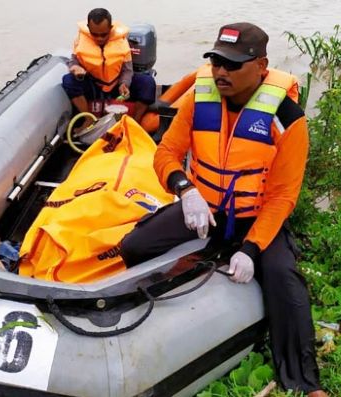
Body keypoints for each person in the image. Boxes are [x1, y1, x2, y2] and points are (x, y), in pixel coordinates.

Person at [119, 23, 328, 397]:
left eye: (232, 65)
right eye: (216, 61)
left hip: (255, 219)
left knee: (285, 280)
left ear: (261, 66)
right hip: (203, 211)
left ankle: (305, 382)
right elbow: (166, 153)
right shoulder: (200, 99)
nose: (220, 72)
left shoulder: (288, 118)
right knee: (134, 246)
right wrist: (185, 190)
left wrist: (252, 247)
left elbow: (282, 196)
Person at [62, 8, 156, 126]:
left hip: (116, 85)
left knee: (148, 83)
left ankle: (134, 122)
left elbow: (128, 70)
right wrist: (75, 68)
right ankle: (88, 118)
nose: (99, 38)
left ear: (110, 28)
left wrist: (124, 84)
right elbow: (73, 61)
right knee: (68, 80)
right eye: (95, 34)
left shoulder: (122, 42)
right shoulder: (80, 40)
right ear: (88, 28)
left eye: (103, 34)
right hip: (93, 85)